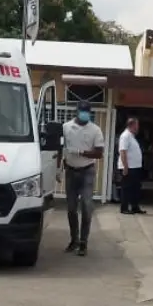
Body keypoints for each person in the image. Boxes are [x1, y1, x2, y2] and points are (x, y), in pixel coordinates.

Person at [62, 101, 104, 255]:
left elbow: (99, 153)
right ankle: (74, 239)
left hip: (87, 171)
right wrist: (59, 169)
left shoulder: (95, 130)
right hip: (71, 171)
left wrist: (80, 152)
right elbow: (61, 148)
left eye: (87, 111)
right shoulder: (66, 127)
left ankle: (83, 242)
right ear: (77, 111)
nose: (85, 114)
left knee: (86, 206)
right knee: (71, 209)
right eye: (82, 111)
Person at [118, 117, 145, 214]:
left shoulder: (131, 136)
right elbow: (123, 151)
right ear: (132, 125)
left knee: (135, 188)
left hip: (135, 167)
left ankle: (135, 206)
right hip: (129, 167)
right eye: (137, 125)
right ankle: (124, 208)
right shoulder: (125, 136)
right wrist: (125, 166)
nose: (138, 127)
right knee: (127, 188)